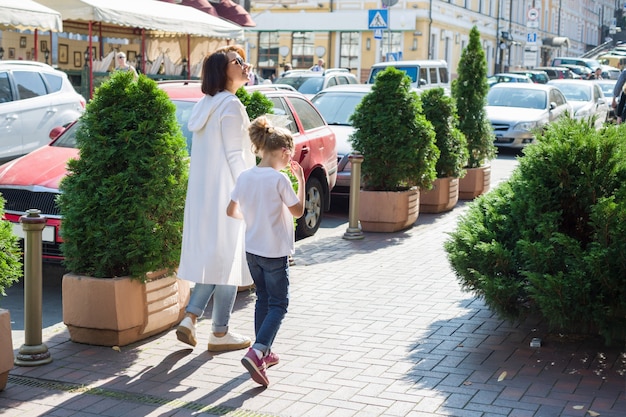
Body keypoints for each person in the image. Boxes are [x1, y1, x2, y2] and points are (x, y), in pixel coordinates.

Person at [176, 45, 256, 352]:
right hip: (228, 195)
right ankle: (217, 331)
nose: (245, 65)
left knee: (218, 260)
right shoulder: (230, 105)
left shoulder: (206, 105)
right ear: (223, 72)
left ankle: (193, 319)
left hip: (204, 197)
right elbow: (235, 155)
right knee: (227, 261)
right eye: (238, 62)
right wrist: (248, 190)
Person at [226, 116, 305, 387]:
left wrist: (252, 217)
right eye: (290, 155)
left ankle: (264, 352)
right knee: (279, 304)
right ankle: (258, 351)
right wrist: (301, 181)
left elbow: (231, 211)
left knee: (262, 298)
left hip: (252, 250)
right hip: (274, 252)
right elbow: (298, 211)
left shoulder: (246, 176)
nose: (289, 160)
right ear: (284, 152)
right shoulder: (279, 179)